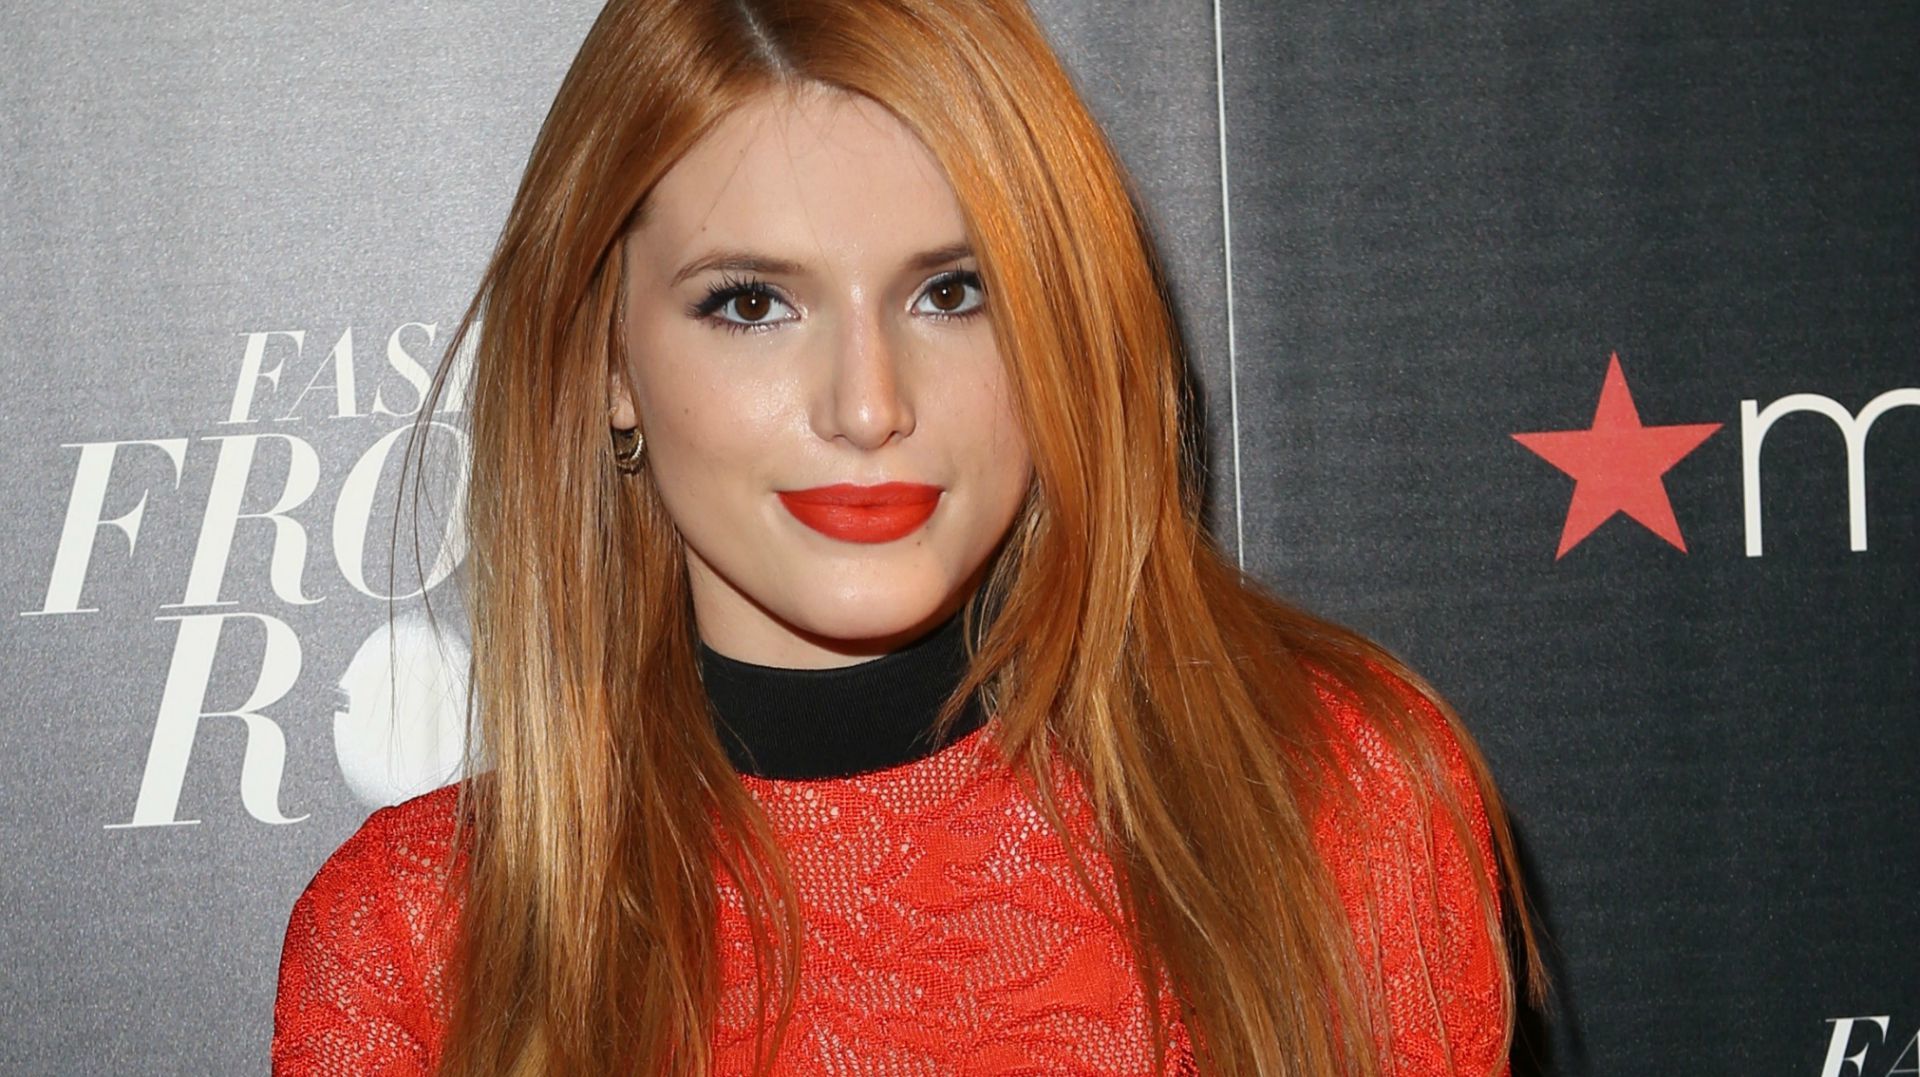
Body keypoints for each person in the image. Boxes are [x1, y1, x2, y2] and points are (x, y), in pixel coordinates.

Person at [272, 0, 1540, 1073]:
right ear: (607, 360)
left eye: (952, 291)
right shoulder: (414, 950)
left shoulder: (1337, 801)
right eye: (752, 303)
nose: (870, 406)